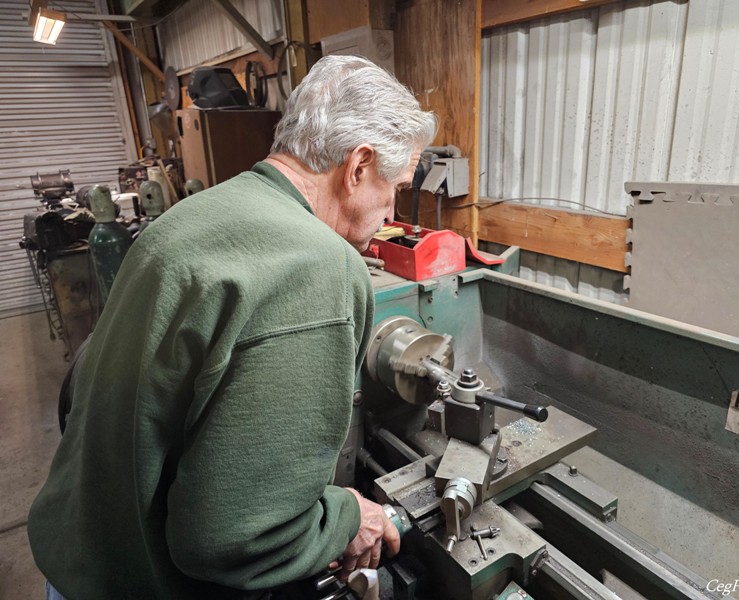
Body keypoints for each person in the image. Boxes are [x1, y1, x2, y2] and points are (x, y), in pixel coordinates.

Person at [28, 55, 437, 600]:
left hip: (77, 556)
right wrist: (346, 517)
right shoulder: (318, 266)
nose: (390, 210)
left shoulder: (192, 215)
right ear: (358, 165)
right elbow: (234, 540)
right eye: (396, 187)